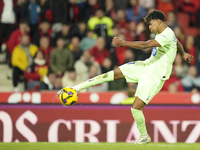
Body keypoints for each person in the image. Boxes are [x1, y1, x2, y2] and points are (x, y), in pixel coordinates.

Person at [58, 10, 193, 144]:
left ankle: (144, 136)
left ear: (159, 21)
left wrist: (123, 43)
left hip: (155, 76)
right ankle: (76, 88)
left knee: (135, 108)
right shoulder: (168, 33)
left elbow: (145, 45)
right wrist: (183, 53)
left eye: (151, 24)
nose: (150, 27)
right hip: (146, 66)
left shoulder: (167, 35)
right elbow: (177, 43)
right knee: (112, 74)